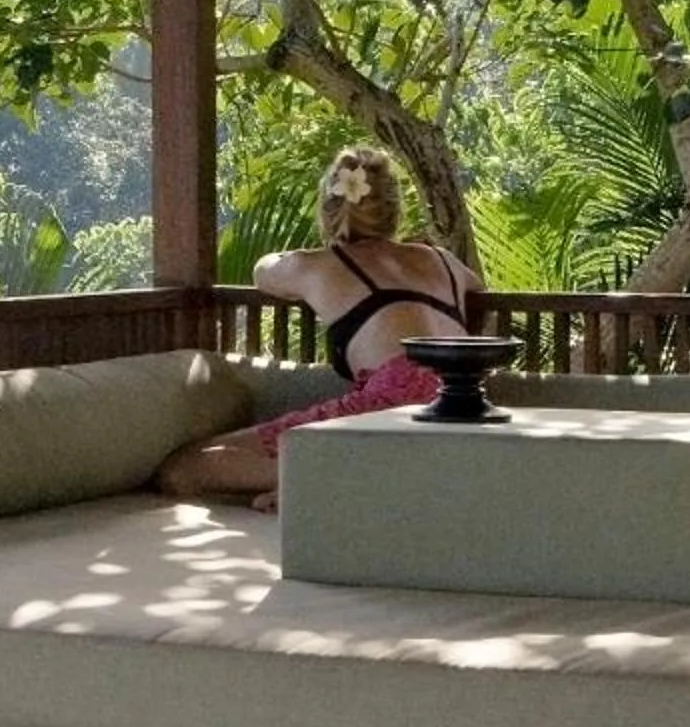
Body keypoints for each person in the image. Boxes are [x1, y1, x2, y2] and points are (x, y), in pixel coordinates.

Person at [156, 145, 481, 509]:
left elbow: (264, 272)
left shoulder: (317, 266)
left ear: (328, 208)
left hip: (393, 407)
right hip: (464, 402)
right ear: (394, 210)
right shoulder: (442, 260)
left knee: (183, 470)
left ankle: (322, 477)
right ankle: (336, 476)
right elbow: (478, 289)